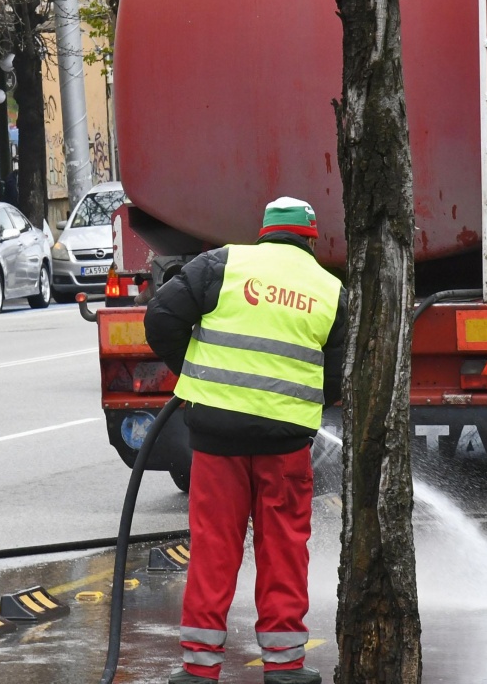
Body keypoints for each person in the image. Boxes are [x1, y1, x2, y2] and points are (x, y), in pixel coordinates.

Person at [144, 196, 346, 684]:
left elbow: (160, 320)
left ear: (264, 232)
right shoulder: (330, 289)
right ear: (311, 240)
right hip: (285, 445)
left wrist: (195, 377)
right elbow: (338, 378)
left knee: (213, 548)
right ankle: (284, 667)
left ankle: (198, 667)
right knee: (283, 550)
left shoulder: (223, 264)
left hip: (217, 439)